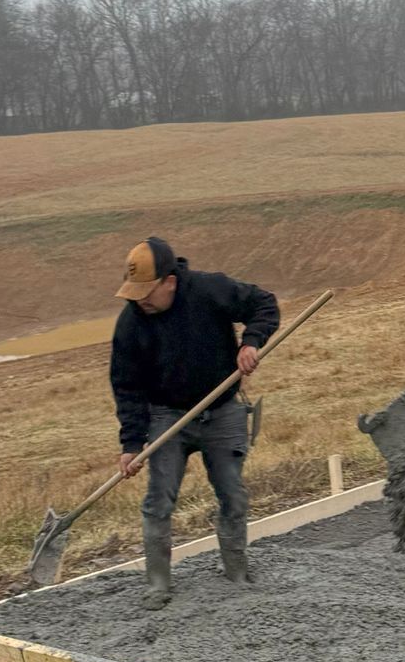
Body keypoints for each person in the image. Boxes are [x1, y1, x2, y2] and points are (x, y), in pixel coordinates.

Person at [111, 235, 280, 604]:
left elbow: (263, 304)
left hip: (222, 412)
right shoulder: (131, 323)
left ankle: (236, 574)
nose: (141, 300)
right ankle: (158, 585)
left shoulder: (209, 290)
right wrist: (131, 445)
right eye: (134, 292)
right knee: (159, 501)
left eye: (147, 292)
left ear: (169, 282)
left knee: (233, 496)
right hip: (166, 418)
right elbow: (127, 387)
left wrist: (251, 341)